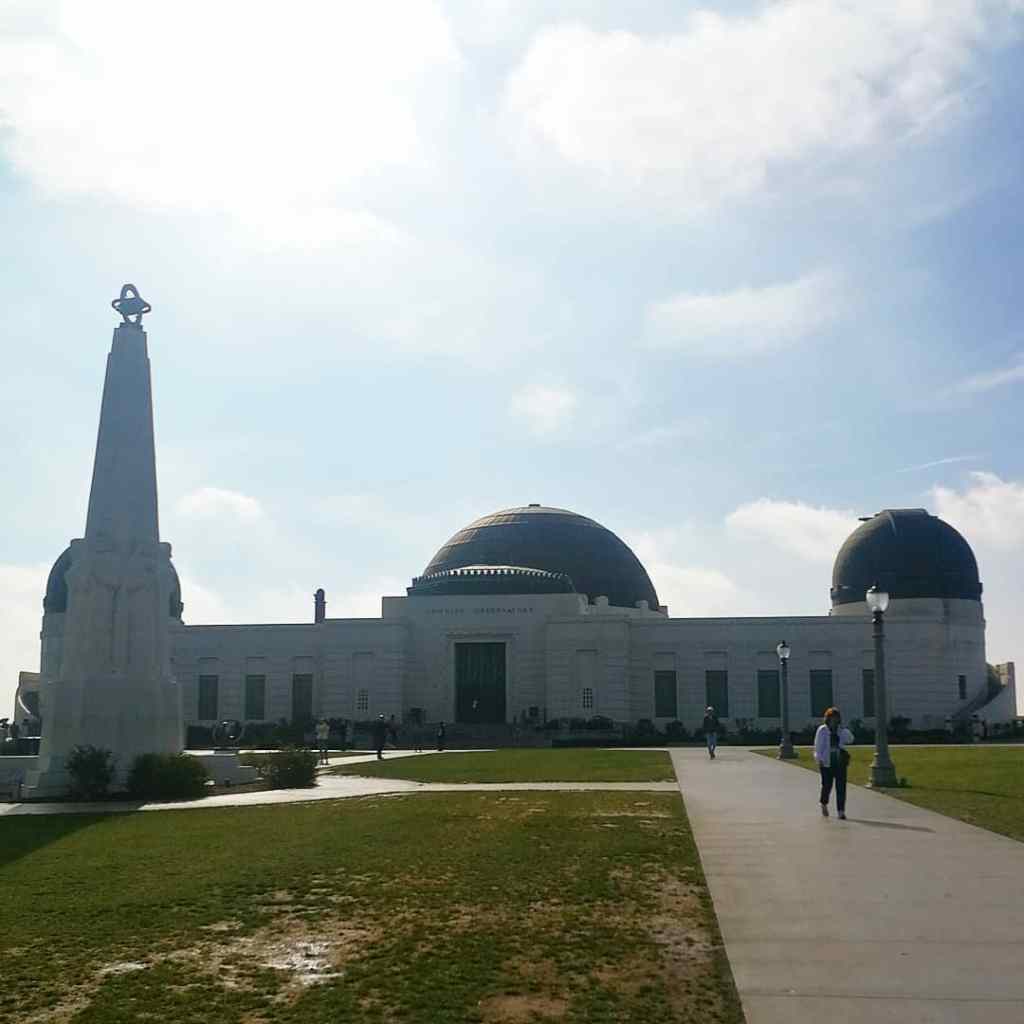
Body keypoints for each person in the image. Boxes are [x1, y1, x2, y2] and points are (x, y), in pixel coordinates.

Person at [814, 706, 854, 819]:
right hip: (826, 763)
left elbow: (851, 739)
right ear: (828, 719)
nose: (834, 721)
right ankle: (824, 803)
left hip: (840, 762)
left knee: (841, 787)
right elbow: (818, 746)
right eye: (832, 718)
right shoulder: (823, 730)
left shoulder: (841, 730)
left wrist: (843, 729)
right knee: (827, 786)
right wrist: (819, 759)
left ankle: (841, 811)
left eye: (836, 718)